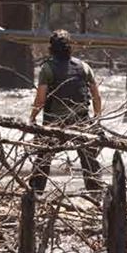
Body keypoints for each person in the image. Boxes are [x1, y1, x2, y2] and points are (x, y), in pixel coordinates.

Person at [28, 29, 103, 194]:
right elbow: (96, 97)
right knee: (89, 159)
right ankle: (98, 196)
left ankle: (34, 195)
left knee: (43, 159)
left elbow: (40, 100)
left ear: (51, 49)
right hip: (81, 121)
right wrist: (97, 120)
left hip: (54, 123)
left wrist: (32, 118)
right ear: (70, 47)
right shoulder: (84, 67)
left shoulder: (47, 69)